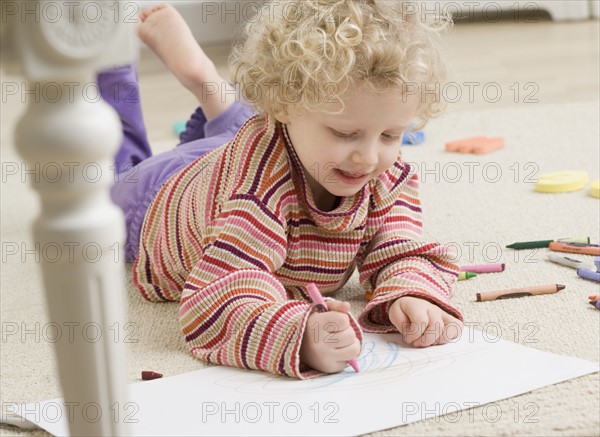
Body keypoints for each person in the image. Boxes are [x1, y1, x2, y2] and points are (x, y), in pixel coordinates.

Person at [101, 0, 464, 379]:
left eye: (391, 134)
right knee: (108, 175)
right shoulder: (257, 194)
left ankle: (212, 90)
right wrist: (300, 336)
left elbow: (398, 244)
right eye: (345, 133)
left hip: (248, 149)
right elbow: (214, 301)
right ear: (283, 106)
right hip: (157, 195)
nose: (369, 158)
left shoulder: (378, 169)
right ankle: (110, 66)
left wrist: (411, 291)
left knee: (258, 132)